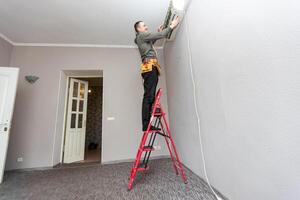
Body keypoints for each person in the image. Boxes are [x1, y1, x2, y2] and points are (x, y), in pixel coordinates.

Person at [134, 17, 180, 131]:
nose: (146, 27)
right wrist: (171, 26)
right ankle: (146, 125)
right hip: (149, 67)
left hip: (151, 67)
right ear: (138, 29)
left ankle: (147, 124)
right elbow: (159, 36)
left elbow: (150, 43)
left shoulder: (143, 38)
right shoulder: (141, 36)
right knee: (149, 96)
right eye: (144, 26)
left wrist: (159, 32)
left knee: (150, 95)